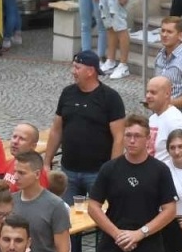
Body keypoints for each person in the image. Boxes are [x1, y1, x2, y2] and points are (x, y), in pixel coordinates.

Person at [87, 114, 177, 252]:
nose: (132, 141)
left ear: (148, 139)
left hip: (147, 246)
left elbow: (170, 210)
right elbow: (93, 206)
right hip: (112, 245)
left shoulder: (160, 170)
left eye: (137, 136)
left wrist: (140, 233)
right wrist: (117, 234)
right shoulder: (110, 168)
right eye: (128, 135)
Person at [43, 51, 124, 209]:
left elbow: (119, 138)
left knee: (101, 214)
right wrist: (47, 162)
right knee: (64, 215)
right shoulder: (67, 93)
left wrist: (112, 171)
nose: (73, 71)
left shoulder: (110, 98)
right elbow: (56, 130)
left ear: (90, 71)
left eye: (77, 67)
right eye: (73, 67)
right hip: (68, 170)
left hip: (97, 173)